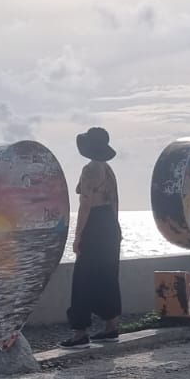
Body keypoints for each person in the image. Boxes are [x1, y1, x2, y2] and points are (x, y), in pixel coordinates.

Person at [60, 127, 122, 348]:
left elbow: (85, 204)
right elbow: (114, 202)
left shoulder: (89, 170)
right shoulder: (109, 170)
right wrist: (114, 227)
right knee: (108, 276)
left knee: (82, 279)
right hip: (110, 224)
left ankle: (80, 333)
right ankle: (111, 326)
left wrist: (78, 236)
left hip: (95, 224)